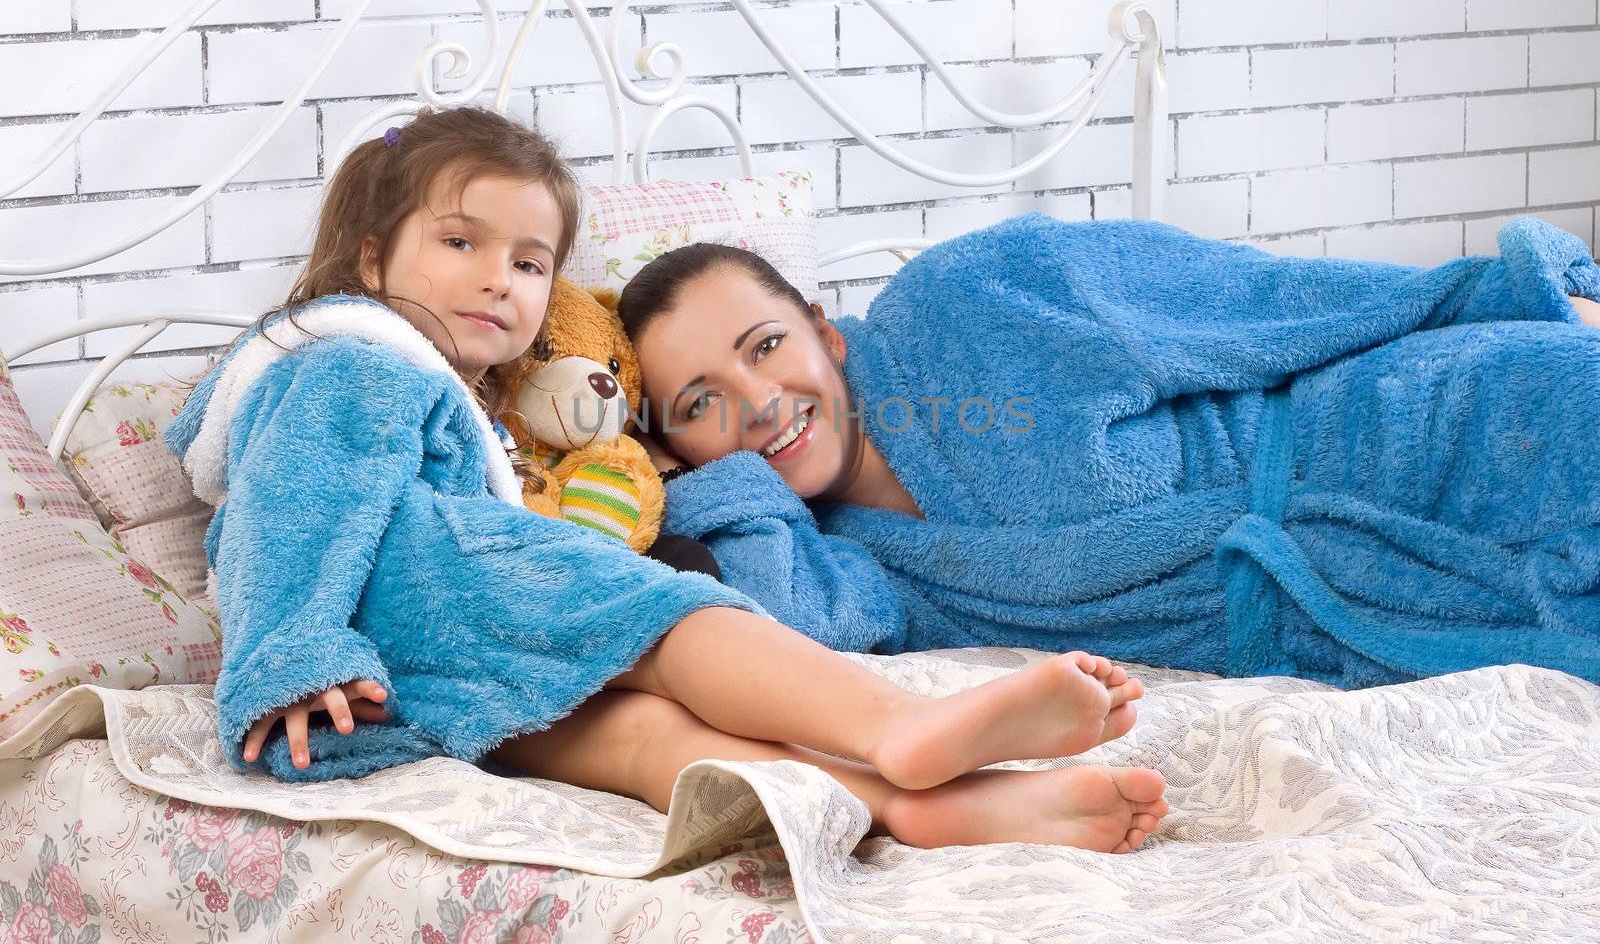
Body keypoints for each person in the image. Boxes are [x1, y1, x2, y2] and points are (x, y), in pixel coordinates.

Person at [163, 107, 1169, 853]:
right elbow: (299, 502)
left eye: (527, 262)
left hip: (427, 675)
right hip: (403, 612)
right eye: (460, 243)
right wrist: (289, 649)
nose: (495, 279)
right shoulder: (351, 357)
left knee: (647, 743)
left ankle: (902, 805)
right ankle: (893, 726)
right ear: (372, 256)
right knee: (665, 609)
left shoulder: (477, 408)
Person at [620, 217, 1600, 690]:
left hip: (1421, 422)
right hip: (1364, 602)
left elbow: (1254, 300)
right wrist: (716, 488)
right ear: (678, 447)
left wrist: (1506, 293)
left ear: (825, 334)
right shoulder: (845, 563)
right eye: (701, 400)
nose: (757, 404)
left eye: (765, 347)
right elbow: (784, 625)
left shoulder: (968, 300)